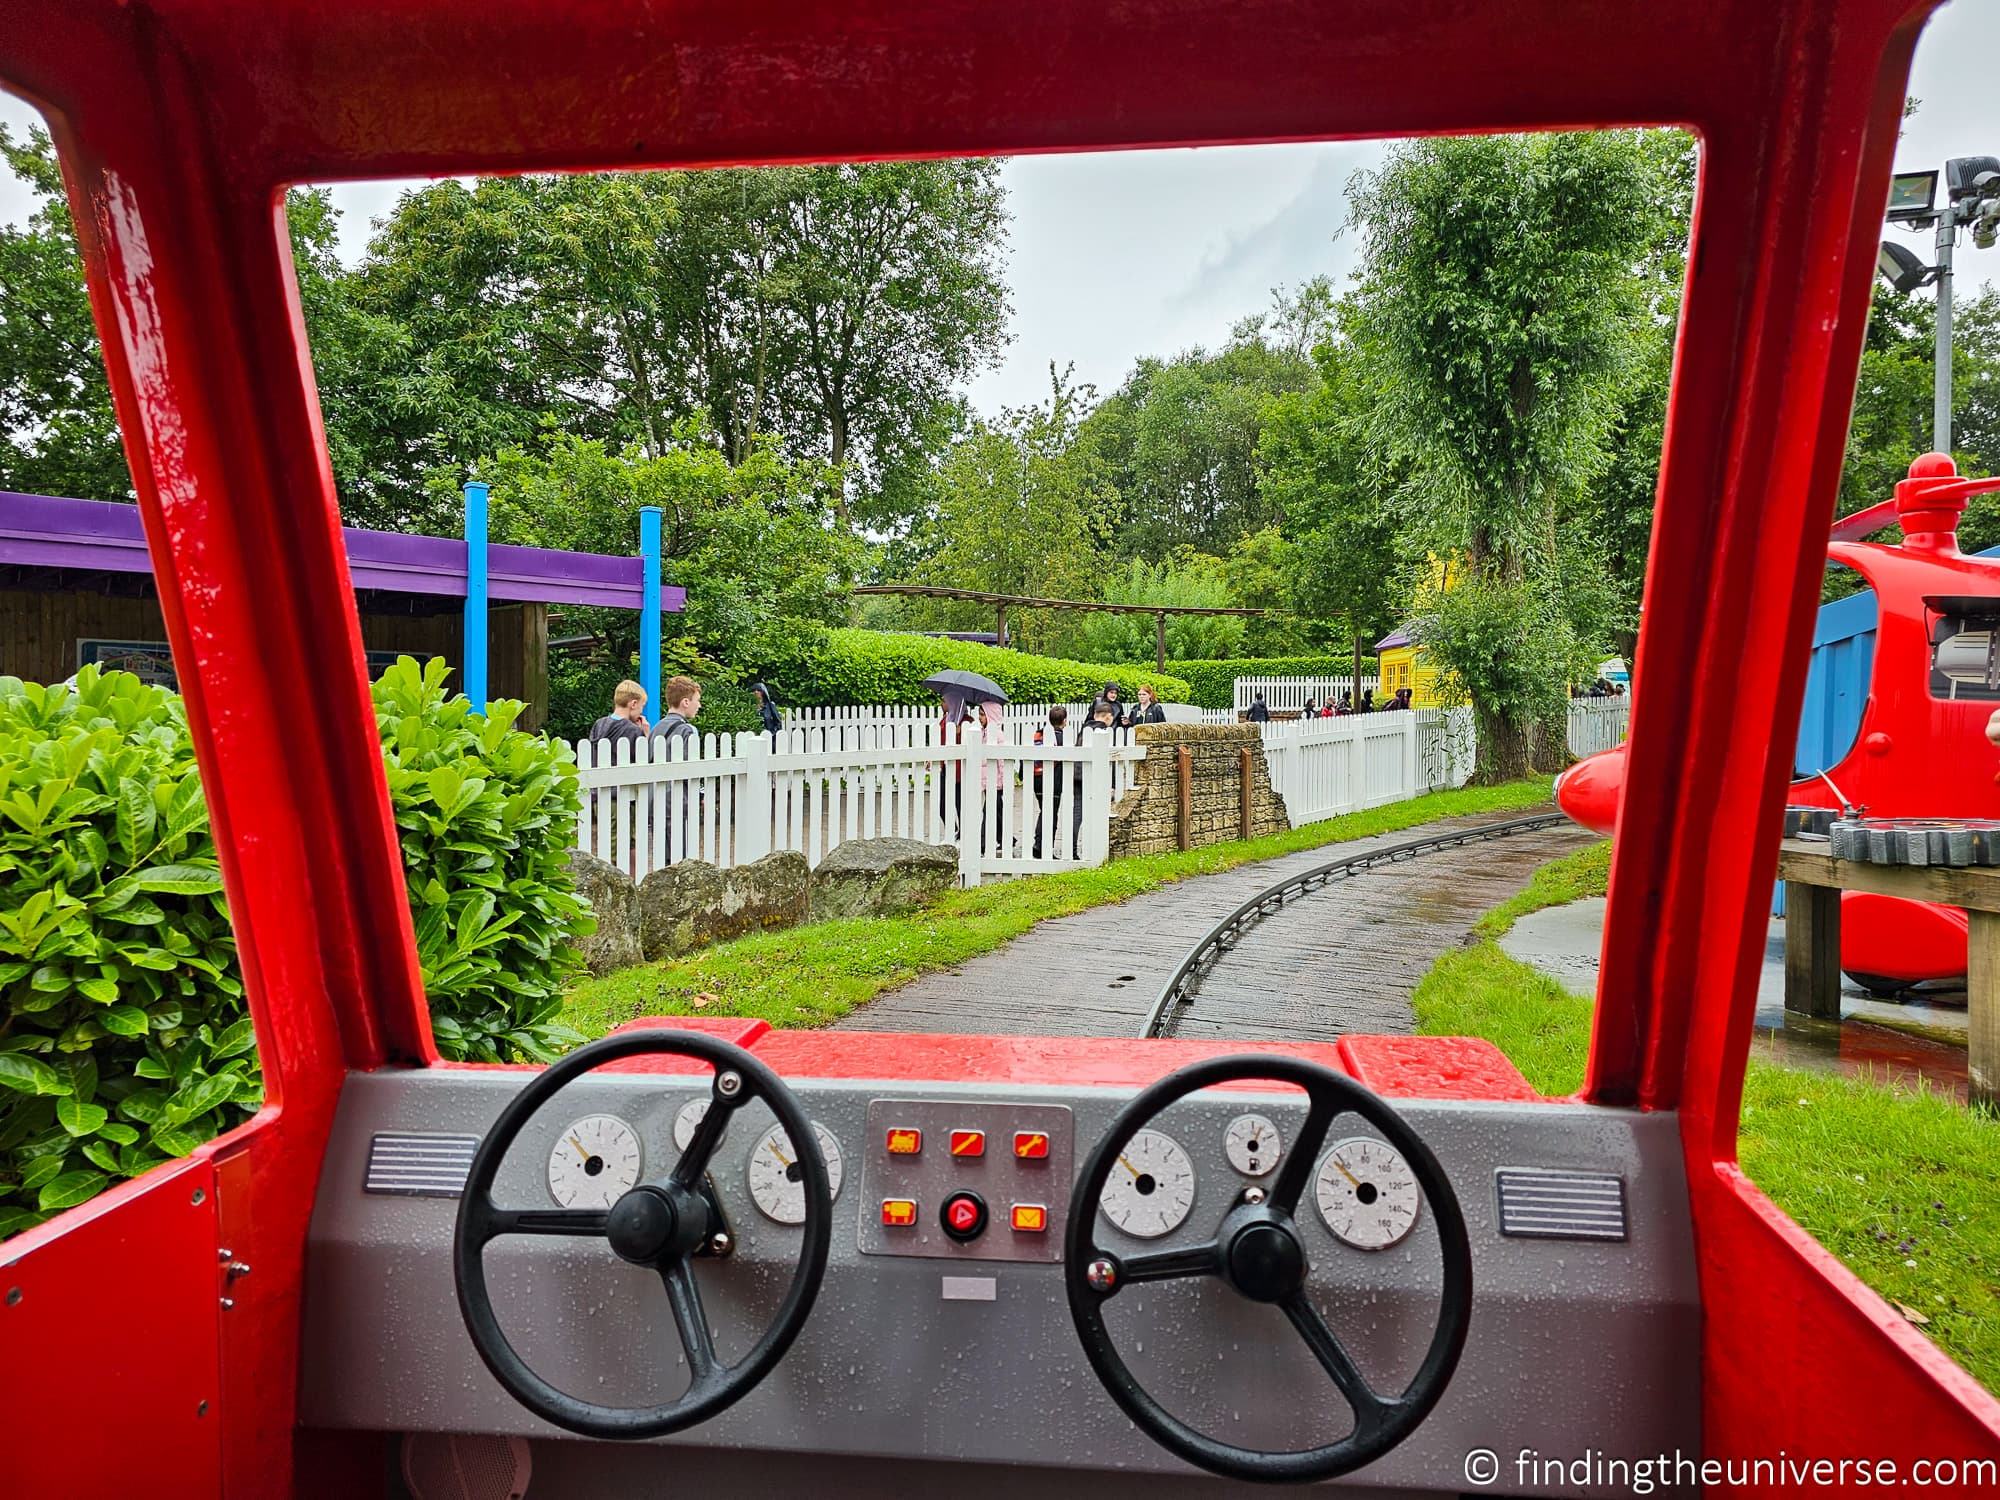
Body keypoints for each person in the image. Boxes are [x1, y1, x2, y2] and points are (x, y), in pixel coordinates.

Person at [1031, 705, 1085, 860]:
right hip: (1054, 782)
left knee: (1044, 811)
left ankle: (1039, 844)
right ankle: (1043, 847)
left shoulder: (1039, 734)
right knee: (1051, 814)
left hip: (1037, 779)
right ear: (1065, 720)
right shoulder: (1063, 738)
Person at [589, 679, 648, 748]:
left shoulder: (598, 724)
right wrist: (645, 734)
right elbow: (644, 756)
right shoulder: (633, 731)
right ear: (634, 704)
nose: (641, 711)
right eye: (642, 706)